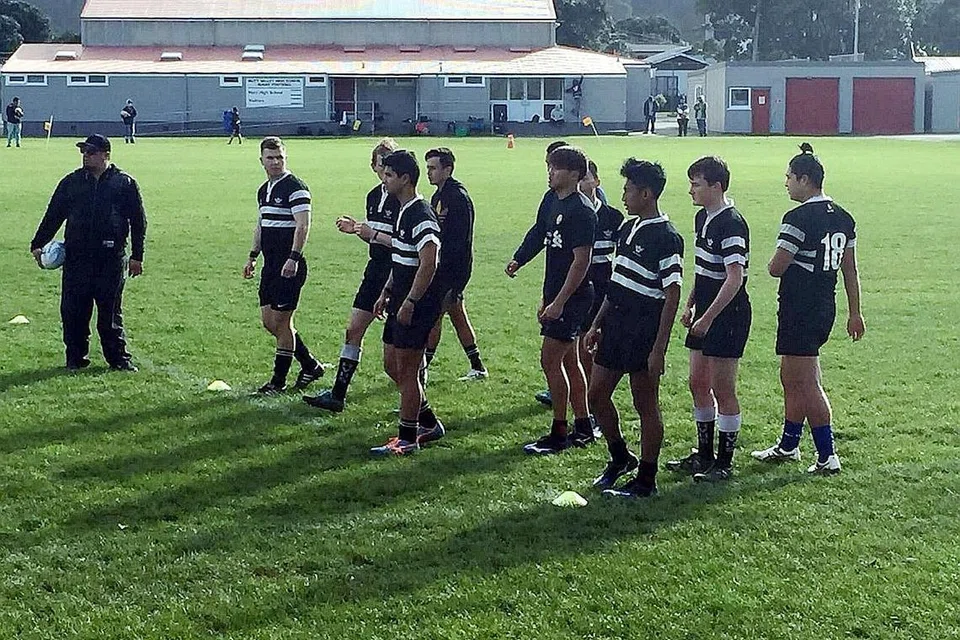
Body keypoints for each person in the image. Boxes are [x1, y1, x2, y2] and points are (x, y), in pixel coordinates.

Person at [752, 143, 865, 475]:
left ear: (804, 179)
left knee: (807, 382)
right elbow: (850, 270)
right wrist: (854, 312)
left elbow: (777, 266)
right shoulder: (844, 217)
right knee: (790, 376)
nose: (785, 183)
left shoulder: (798, 217)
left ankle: (827, 456)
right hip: (824, 305)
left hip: (800, 308)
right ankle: (789, 444)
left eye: (788, 177)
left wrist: (769, 263)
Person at [586, 159, 684, 498]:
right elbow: (617, 281)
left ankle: (647, 479)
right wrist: (597, 323)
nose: (623, 195)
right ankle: (619, 457)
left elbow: (672, 294)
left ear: (646, 193)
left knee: (645, 402)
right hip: (615, 325)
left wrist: (659, 348)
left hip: (644, 331)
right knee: (595, 394)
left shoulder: (668, 238)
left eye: (629, 189)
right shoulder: (627, 229)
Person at [507, 146, 597, 454]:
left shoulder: (582, 211)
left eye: (555, 168)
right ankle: (584, 425)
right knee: (570, 361)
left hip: (573, 296)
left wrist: (559, 302)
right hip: (555, 292)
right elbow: (538, 233)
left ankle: (559, 433)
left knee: (550, 360)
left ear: (574, 174)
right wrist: (520, 259)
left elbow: (581, 262)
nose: (550, 172)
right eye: (548, 166)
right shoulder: (550, 200)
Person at [666, 156, 751, 483]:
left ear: (716, 187)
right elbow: (704, 271)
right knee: (698, 382)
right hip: (705, 310)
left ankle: (724, 463)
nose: (690, 191)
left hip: (728, 313)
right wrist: (690, 305)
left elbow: (734, 278)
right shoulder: (703, 217)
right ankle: (703, 455)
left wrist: (708, 317)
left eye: (696, 184)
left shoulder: (731, 223)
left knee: (722, 388)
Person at [29, 134, 146, 371]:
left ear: (106, 154)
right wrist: (38, 243)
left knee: (110, 315)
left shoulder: (124, 183)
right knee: (73, 313)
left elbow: (138, 221)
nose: (86, 156)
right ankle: (75, 359)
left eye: (91, 152)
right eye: (83, 151)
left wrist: (137, 256)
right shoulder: (71, 182)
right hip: (76, 258)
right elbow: (53, 215)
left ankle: (119, 360)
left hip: (110, 259)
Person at [304, 138, 400, 412]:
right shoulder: (373, 196)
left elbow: (407, 244)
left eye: (392, 166)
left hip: (400, 274)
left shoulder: (405, 200)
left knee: (398, 352)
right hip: (375, 271)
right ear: (374, 166)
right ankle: (338, 394)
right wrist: (358, 230)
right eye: (383, 166)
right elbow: (376, 240)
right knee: (353, 329)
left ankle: (416, 402)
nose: (387, 172)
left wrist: (371, 233)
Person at [369, 150, 446, 456]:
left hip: (417, 303)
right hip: (399, 298)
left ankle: (407, 438)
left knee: (408, 370)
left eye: (389, 175)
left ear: (404, 179)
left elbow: (429, 262)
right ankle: (428, 422)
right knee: (392, 364)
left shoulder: (421, 214)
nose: (384, 180)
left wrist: (411, 300)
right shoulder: (402, 210)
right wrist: (387, 290)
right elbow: (402, 256)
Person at [242, 137, 323, 394]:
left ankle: (278, 381)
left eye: (280, 157)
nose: (275, 162)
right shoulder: (264, 189)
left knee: (283, 322)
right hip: (269, 264)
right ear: (261, 161)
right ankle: (310, 365)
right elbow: (261, 225)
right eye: (270, 158)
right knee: (270, 322)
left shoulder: (295, 187)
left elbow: (303, 225)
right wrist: (253, 255)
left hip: (289, 265)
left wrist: (294, 257)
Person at [421, 147, 488, 382]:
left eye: (433, 168)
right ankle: (477, 365)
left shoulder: (458, 198)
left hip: (452, 272)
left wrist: (457, 282)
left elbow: (462, 242)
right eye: (427, 167)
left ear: (447, 170)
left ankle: (423, 366)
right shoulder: (438, 196)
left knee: (433, 317)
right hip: (442, 270)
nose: (428, 172)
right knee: (456, 315)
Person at [577, 160, 623, 386]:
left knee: (595, 338)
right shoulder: (571, 213)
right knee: (576, 337)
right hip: (577, 280)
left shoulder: (613, 217)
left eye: (586, 178)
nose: (582, 184)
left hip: (602, 281)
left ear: (596, 181)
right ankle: (577, 386)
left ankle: (592, 390)